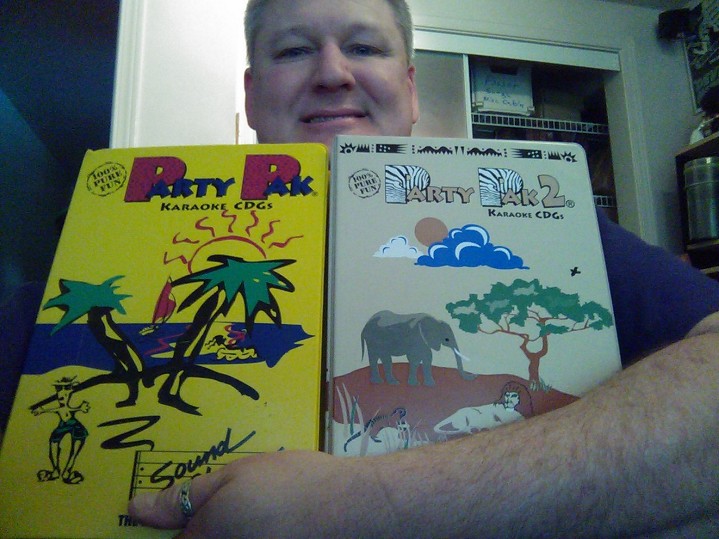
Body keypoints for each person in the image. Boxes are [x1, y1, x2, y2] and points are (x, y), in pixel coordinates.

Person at [129, 0, 716, 535]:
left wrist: (364, 506)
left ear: (409, 89)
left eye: (363, 47)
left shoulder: (554, 227)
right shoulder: (144, 236)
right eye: (293, 50)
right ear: (253, 94)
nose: (332, 72)